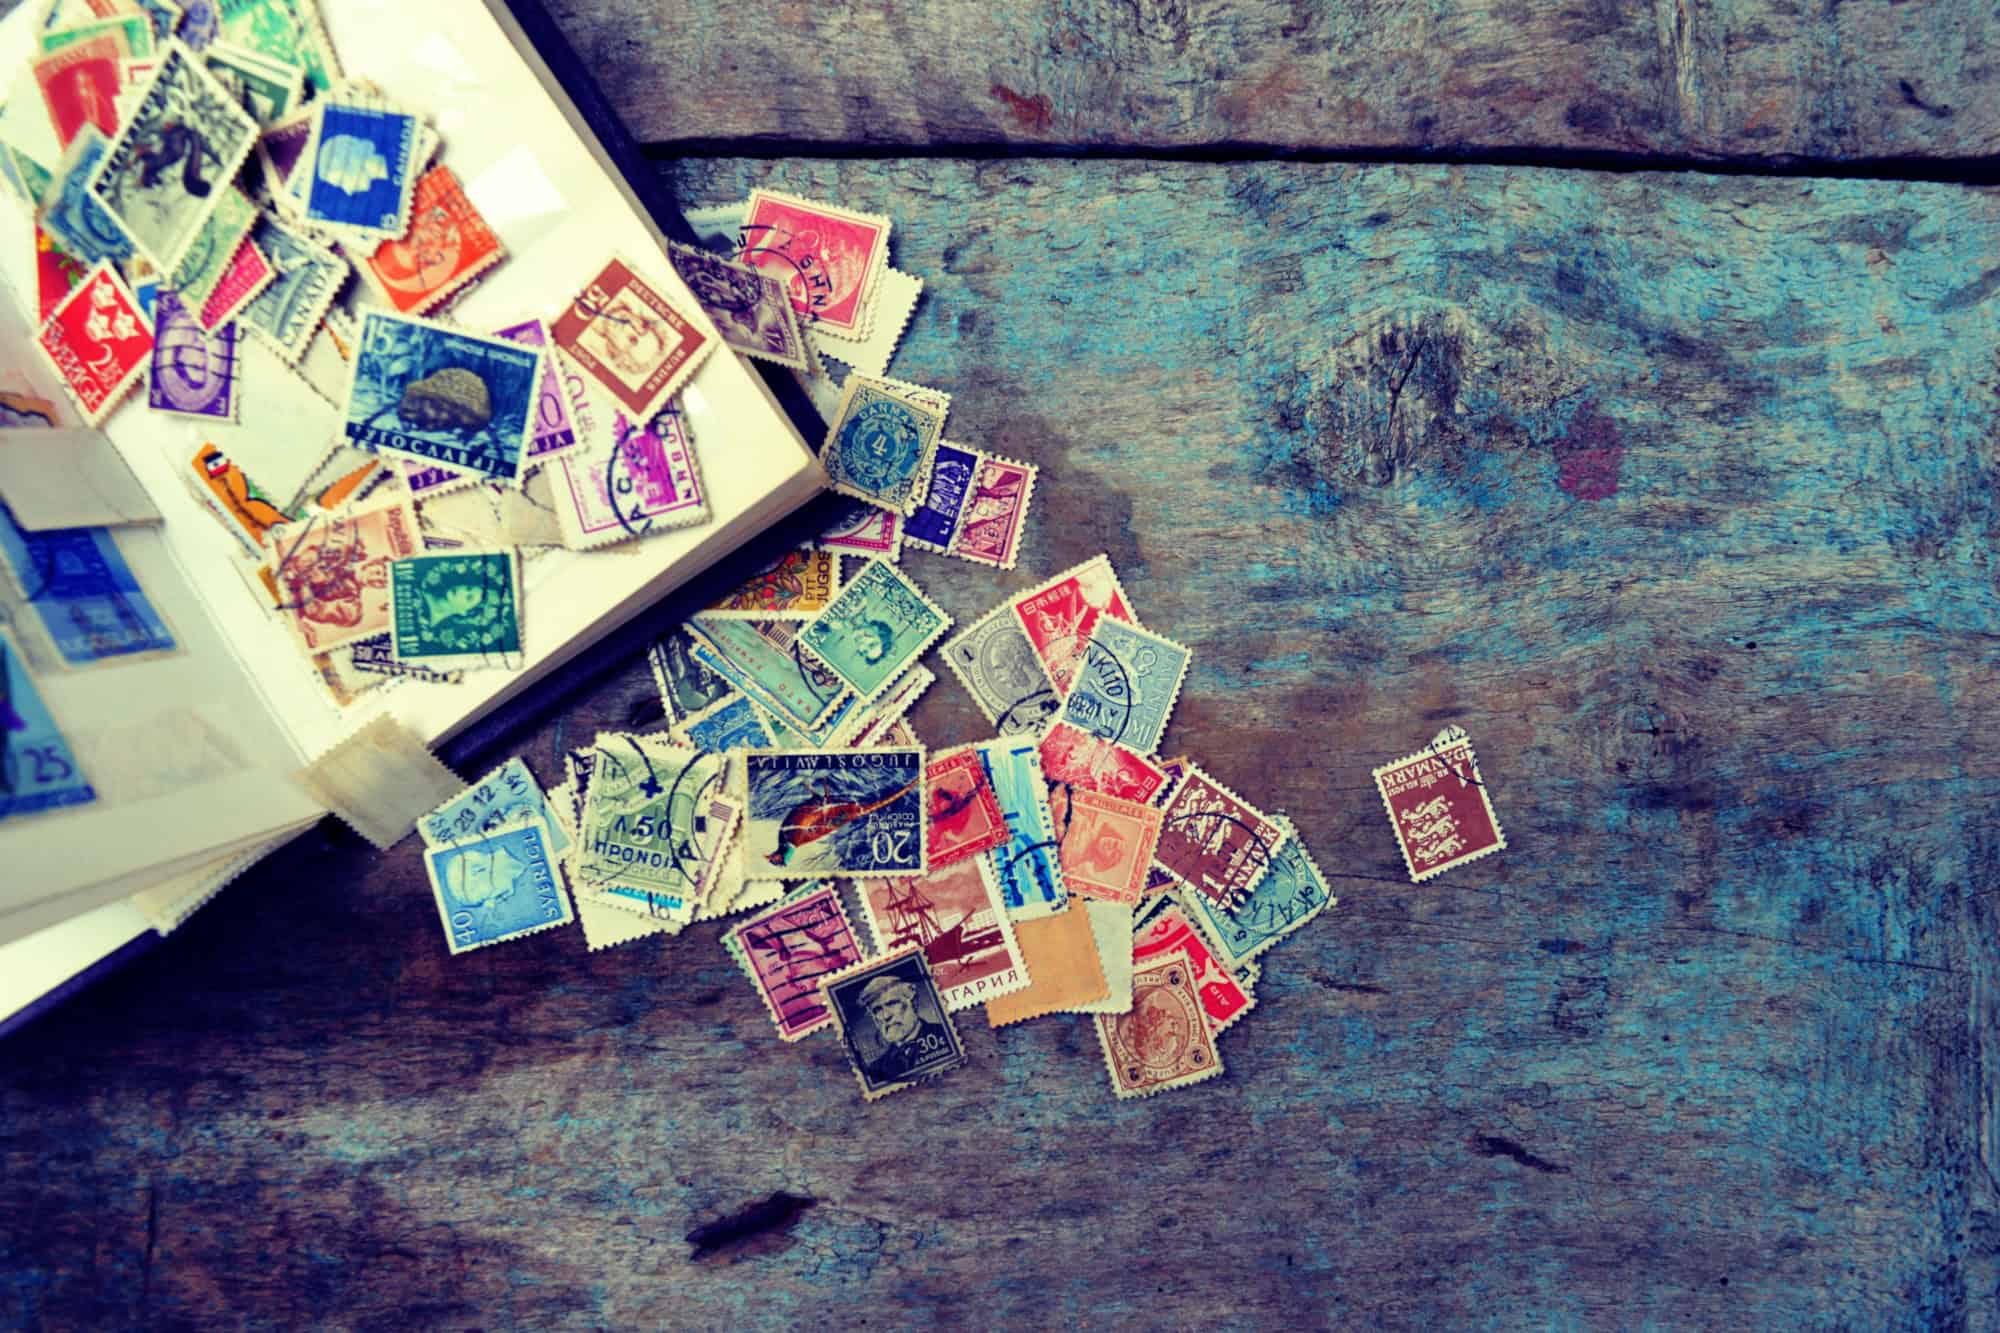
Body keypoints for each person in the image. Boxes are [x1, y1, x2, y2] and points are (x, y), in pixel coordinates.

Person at [854, 972, 951, 1083]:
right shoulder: (877, 1068)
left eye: (892, 1003)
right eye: (877, 1010)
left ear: (913, 1003)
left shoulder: (947, 1035)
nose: (886, 1016)